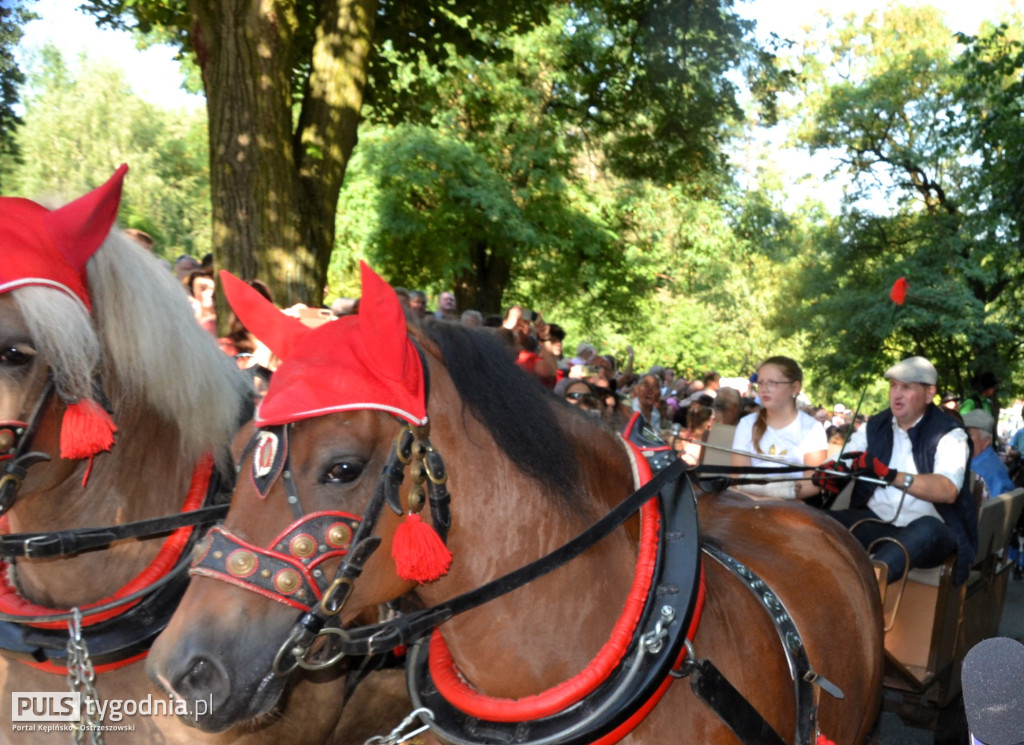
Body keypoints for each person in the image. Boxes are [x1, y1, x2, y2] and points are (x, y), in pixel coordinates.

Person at [817, 356, 976, 586]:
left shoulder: (950, 433)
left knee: (925, 530)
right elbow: (846, 458)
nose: (896, 394)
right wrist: (828, 472)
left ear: (930, 393)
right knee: (818, 523)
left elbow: (947, 489)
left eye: (907, 387)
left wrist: (890, 475)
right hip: (877, 522)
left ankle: (867, 586)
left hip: (934, 530)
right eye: (893, 386)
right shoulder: (874, 426)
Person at [731, 355, 827, 501]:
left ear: (795, 387)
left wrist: (774, 500)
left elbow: (813, 484)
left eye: (773, 383)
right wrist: (761, 501)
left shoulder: (812, 428)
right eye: (761, 383)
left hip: (791, 509)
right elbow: (738, 478)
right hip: (748, 503)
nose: (764, 389)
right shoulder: (746, 424)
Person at [963, 409, 1014, 498]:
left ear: (986, 441)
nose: (963, 438)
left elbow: (998, 508)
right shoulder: (987, 461)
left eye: (969, 434)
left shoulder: (984, 470)